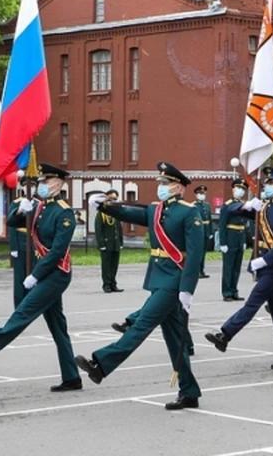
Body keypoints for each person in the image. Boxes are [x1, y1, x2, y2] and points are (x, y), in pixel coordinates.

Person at [76, 162, 203, 410]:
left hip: (174, 282)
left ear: (177, 187)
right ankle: (189, 391)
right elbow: (130, 213)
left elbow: (196, 254)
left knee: (141, 325)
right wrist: (104, 206)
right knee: (176, 341)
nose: (161, 188)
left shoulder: (189, 213)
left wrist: (188, 288)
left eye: (165, 184)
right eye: (161, 184)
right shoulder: (156, 210)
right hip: (159, 278)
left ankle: (100, 365)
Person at [0, 162, 82, 393]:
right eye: (42, 181)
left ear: (58, 183)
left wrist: (35, 275)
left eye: (46, 181)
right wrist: (22, 210)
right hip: (42, 270)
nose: (42, 185)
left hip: (56, 273)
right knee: (58, 327)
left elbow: (58, 250)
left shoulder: (64, 212)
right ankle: (71, 377)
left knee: (24, 312)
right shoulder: (39, 205)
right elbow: (14, 223)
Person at [205, 167, 273, 369]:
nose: (266, 186)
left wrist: (266, 260)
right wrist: (247, 204)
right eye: (266, 183)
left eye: (271, 183)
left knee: (253, 302)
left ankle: (225, 334)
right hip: (262, 262)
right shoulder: (262, 207)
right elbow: (228, 211)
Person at [218, 178, 251, 301]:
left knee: (237, 267)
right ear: (233, 189)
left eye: (243, 189)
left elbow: (244, 224)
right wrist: (223, 242)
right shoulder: (227, 205)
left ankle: (234, 290)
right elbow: (222, 225)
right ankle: (226, 292)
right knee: (228, 267)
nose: (240, 191)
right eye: (238, 188)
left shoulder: (243, 205)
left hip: (239, 237)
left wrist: (244, 241)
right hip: (230, 237)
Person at [95, 189, 124, 293]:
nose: (113, 201)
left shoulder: (115, 212)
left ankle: (113, 284)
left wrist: (120, 242)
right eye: (111, 199)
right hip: (106, 244)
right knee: (106, 266)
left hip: (115, 244)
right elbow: (98, 230)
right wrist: (101, 244)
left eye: (115, 199)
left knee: (114, 265)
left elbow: (119, 228)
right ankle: (106, 285)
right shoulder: (102, 213)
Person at [7, 190, 32, 307]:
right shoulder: (17, 203)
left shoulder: (38, 203)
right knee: (20, 277)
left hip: (34, 244)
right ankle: (19, 304)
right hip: (21, 243)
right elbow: (12, 227)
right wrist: (14, 247)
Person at [193, 185, 213, 279]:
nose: (202, 195)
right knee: (198, 252)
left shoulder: (207, 205)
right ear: (196, 195)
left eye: (203, 194)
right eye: (200, 194)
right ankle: (196, 271)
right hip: (198, 231)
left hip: (206, 231)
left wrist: (211, 232)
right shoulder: (194, 206)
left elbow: (209, 220)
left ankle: (202, 270)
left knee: (203, 252)